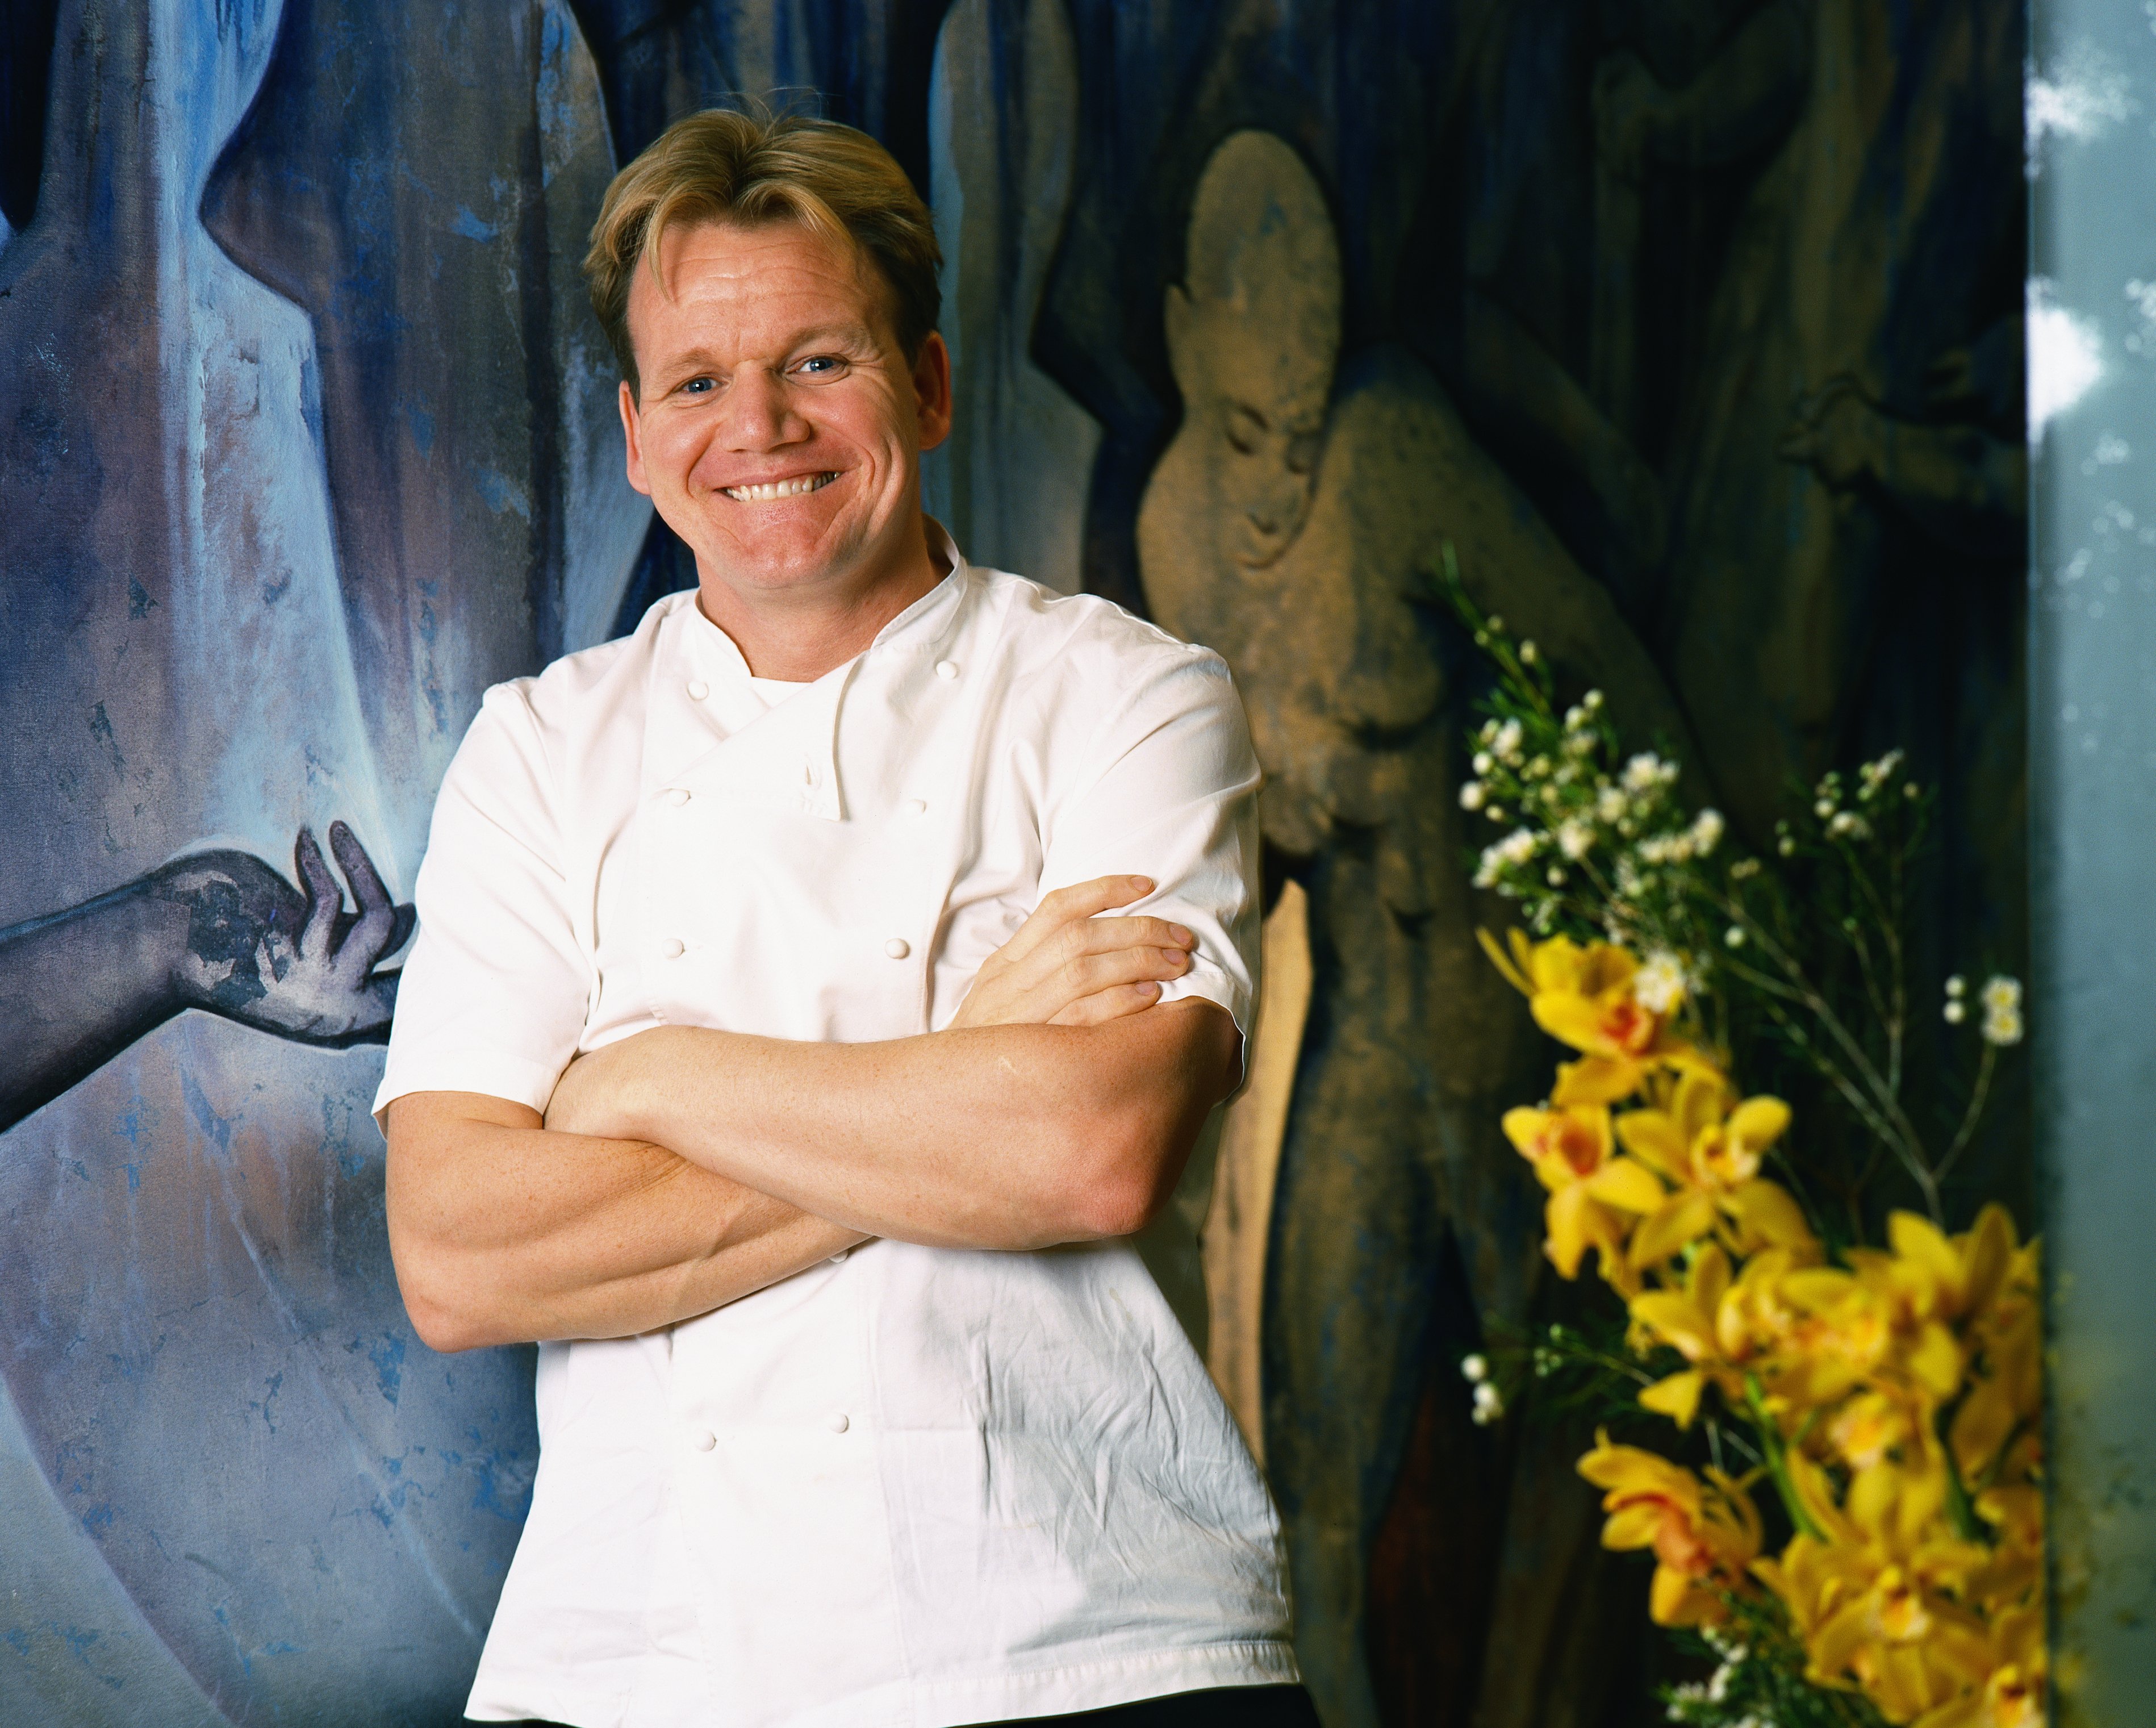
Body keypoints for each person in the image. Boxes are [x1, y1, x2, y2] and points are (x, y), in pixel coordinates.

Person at [377, 109, 1311, 1728]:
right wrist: (962, 1060)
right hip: (639, 1655)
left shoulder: (1123, 698)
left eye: (820, 360)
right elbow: (458, 1251)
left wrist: (642, 1076)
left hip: (1086, 1637)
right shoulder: (538, 748)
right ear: (635, 435)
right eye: (696, 381)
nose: (758, 424)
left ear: (930, 387)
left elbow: (1081, 1152)